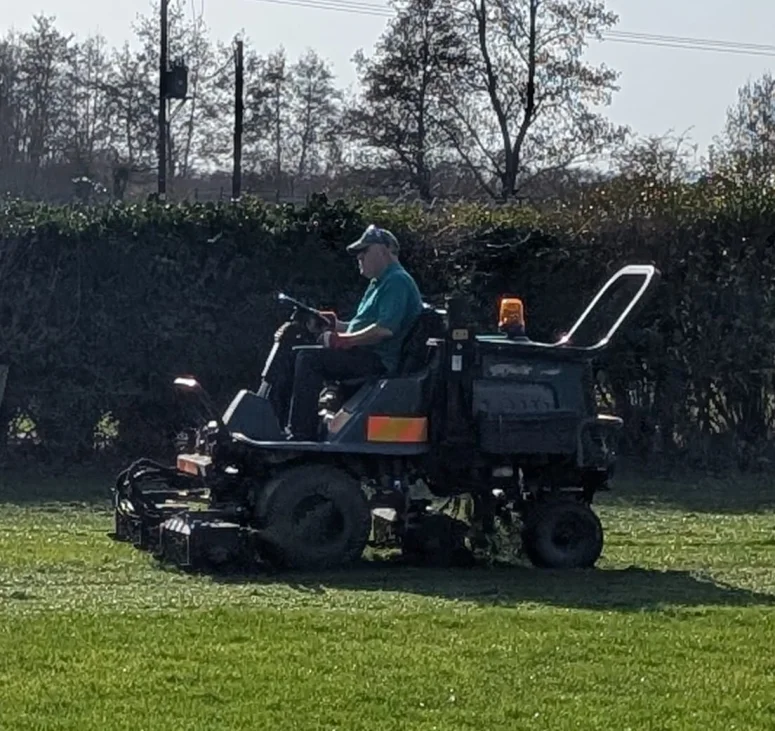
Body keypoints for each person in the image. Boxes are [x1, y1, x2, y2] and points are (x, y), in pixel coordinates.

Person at [286, 224, 423, 441]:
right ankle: (298, 424)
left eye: (364, 251)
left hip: (378, 360)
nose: (359, 257)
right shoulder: (379, 283)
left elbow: (384, 330)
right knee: (297, 351)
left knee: (308, 359)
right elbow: (364, 325)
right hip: (367, 354)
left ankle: (301, 434)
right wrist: (333, 324)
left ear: (383, 250)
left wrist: (343, 340)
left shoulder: (397, 281)